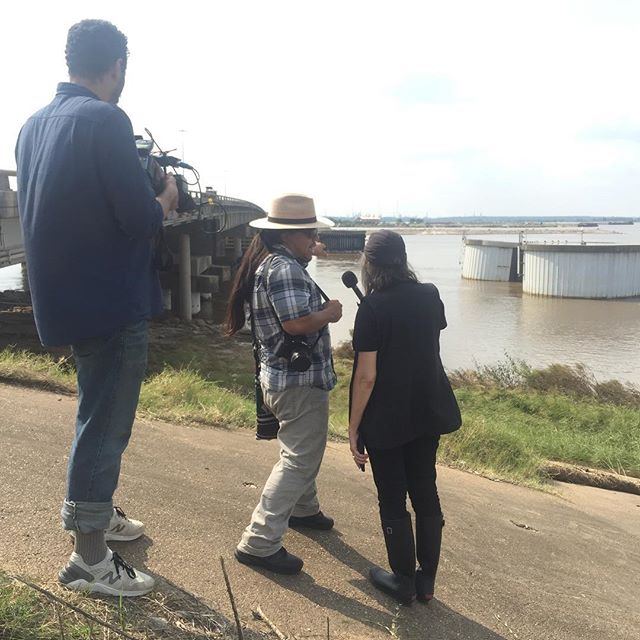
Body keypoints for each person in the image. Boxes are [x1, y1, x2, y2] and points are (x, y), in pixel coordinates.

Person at [15, 19, 178, 596]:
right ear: (117, 68)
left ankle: (97, 509)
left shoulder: (31, 127)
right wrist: (165, 196)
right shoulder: (107, 119)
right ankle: (89, 556)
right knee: (104, 427)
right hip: (111, 301)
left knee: (95, 413)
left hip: (64, 300)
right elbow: (137, 218)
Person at [225, 194, 342, 574]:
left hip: (281, 378)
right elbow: (295, 324)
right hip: (298, 383)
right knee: (299, 458)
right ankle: (259, 541)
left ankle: (304, 509)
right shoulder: (286, 269)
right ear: (287, 235)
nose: (313, 238)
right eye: (308, 232)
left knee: (301, 449)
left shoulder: (273, 263)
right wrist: (329, 312)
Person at [348, 230, 461, 604]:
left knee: (392, 497)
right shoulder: (430, 295)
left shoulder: (372, 308)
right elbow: (427, 341)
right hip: (428, 409)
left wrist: (353, 427)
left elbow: (366, 377)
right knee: (425, 487)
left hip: (387, 418)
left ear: (368, 263)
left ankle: (402, 582)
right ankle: (426, 581)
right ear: (404, 258)